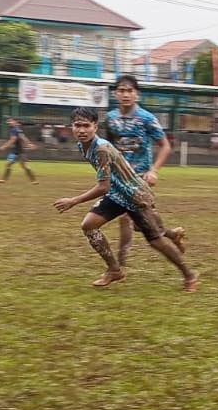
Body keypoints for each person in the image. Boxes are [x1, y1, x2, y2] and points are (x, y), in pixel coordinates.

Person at [53, 109, 196, 292]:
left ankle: (190, 275)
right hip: (117, 194)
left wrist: (74, 200)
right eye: (77, 125)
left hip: (135, 197)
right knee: (89, 225)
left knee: (155, 240)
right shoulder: (83, 145)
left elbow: (102, 186)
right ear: (71, 127)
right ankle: (114, 270)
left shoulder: (101, 149)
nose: (81, 130)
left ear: (95, 127)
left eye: (86, 126)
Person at [102, 75, 172, 268]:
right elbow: (109, 147)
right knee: (143, 222)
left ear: (136, 94)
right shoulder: (111, 118)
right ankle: (172, 234)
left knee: (126, 217)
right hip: (119, 177)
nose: (125, 94)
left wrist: (154, 171)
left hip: (140, 178)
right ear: (116, 94)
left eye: (129, 91)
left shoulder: (146, 118)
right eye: (122, 91)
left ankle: (120, 266)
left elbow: (165, 146)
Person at [0, 119, 38, 184]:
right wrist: (30, 144)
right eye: (8, 122)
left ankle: (33, 180)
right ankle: (33, 180)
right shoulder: (17, 129)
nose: (9, 123)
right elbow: (23, 137)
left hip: (19, 151)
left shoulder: (14, 129)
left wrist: (4, 146)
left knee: (21, 166)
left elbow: (13, 139)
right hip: (16, 150)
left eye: (11, 121)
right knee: (9, 164)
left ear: (15, 122)